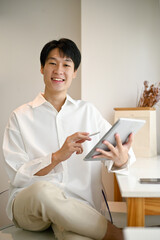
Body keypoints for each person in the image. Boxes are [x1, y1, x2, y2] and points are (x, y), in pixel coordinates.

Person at [3, 38, 135, 240]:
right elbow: (17, 175)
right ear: (42, 68)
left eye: (66, 65)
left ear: (74, 73)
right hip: (30, 208)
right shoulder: (20, 116)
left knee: (76, 237)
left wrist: (121, 159)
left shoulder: (88, 112)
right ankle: (116, 235)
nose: (59, 70)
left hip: (79, 209)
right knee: (44, 191)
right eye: (52, 63)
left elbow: (122, 156)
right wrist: (56, 157)